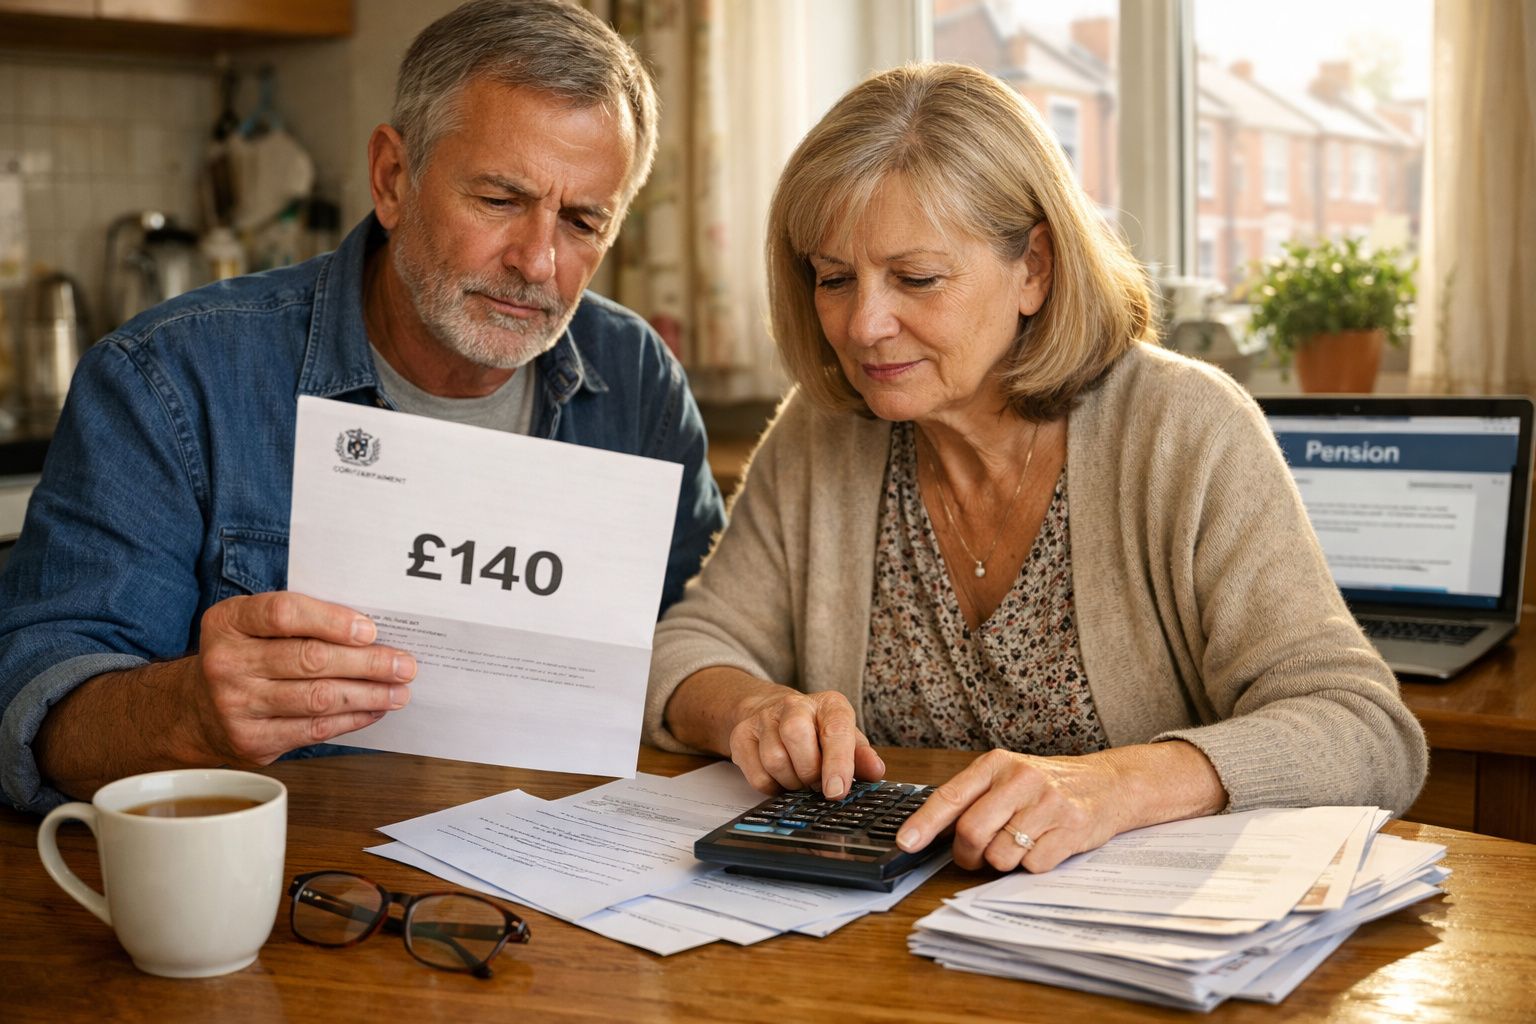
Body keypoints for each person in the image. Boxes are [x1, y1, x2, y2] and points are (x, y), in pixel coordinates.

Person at [644, 63, 1427, 874]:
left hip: (1137, 949)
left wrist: (1118, 786)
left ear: (1035, 269)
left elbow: (1364, 730)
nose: (865, 324)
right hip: (878, 945)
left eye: (917, 278)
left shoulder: (1185, 428)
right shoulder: (824, 433)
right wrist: (752, 708)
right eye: (834, 279)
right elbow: (686, 646)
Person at [0, 0, 725, 814]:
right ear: (392, 178)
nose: (538, 262)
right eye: (498, 200)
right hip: (292, 885)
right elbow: (36, 707)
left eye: (584, 219)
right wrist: (194, 713)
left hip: (561, 880)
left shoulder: (636, 381)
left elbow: (699, 636)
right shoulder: (171, 380)